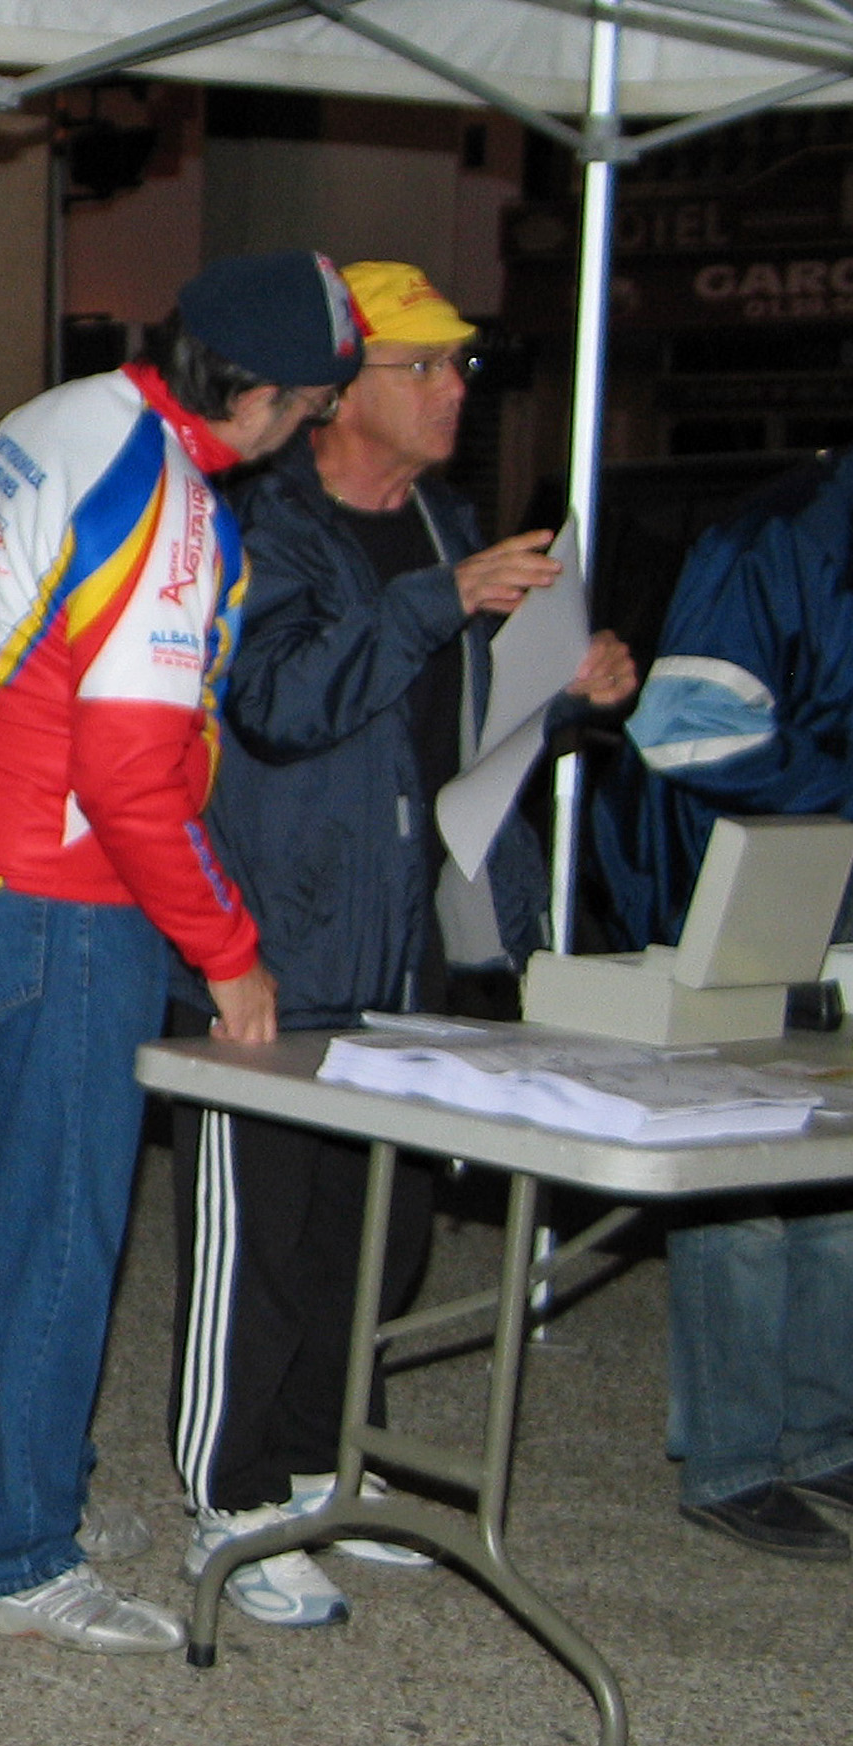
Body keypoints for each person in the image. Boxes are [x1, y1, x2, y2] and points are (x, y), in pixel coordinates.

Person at [176, 261, 637, 1625]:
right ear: (338, 394)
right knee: (262, 1236)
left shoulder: (445, 525)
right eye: (423, 366)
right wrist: (442, 602)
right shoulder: (261, 525)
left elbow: (451, 728)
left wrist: (569, 693)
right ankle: (233, 1497)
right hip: (277, 940)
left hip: (405, 937)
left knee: (376, 1234)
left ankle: (326, 1466)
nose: (452, 392)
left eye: (460, 367)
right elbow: (280, 704)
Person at [0, 251, 361, 1657]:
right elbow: (129, 773)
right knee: (57, 1230)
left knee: (12, 1213)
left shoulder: (65, 415)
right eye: (313, 407)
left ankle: (28, 1486)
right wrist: (229, 952)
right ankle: (10, 1553)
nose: (309, 432)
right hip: (67, 889)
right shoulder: (171, 499)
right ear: (270, 396)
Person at [598, 448, 853, 1561]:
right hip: (723, 882)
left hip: (822, 875)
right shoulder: (778, 539)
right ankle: (736, 1457)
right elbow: (687, 730)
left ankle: (825, 1437)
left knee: (839, 1167)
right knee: (744, 1172)